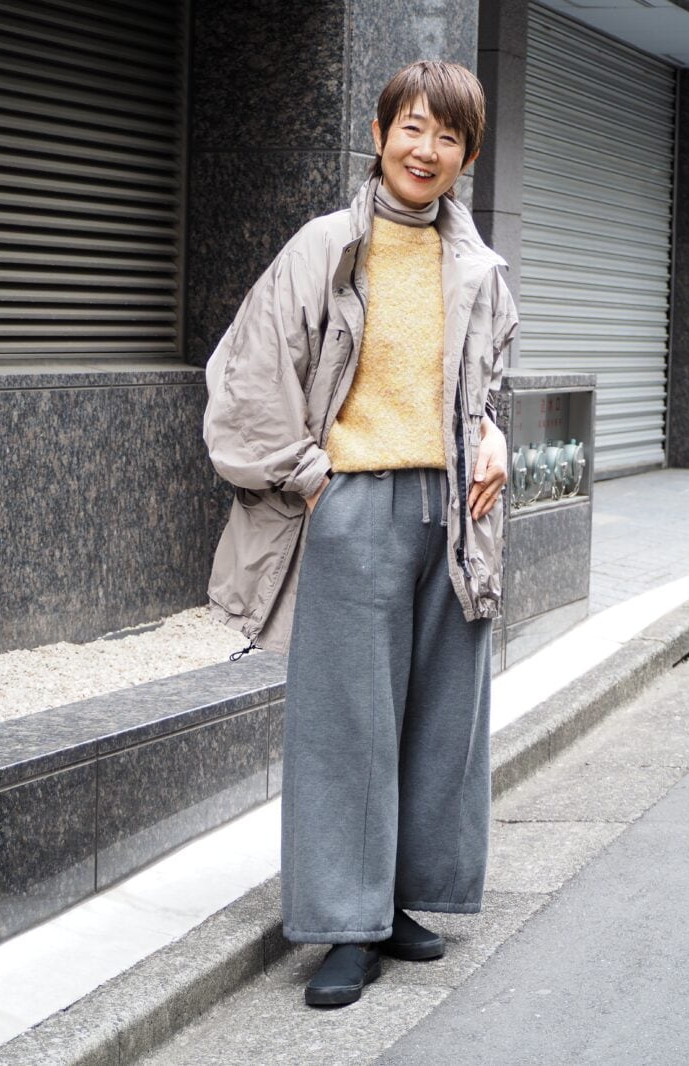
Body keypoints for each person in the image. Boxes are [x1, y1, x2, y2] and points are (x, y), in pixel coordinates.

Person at [203, 59, 518, 1008]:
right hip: (352, 508)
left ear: (467, 156)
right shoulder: (325, 246)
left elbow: (485, 381)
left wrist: (494, 433)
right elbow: (247, 375)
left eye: (449, 136)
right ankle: (345, 924)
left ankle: (398, 902)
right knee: (346, 725)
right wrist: (311, 480)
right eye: (412, 127)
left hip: (455, 512)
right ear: (379, 134)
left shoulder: (476, 264)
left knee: (440, 721)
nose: (427, 149)